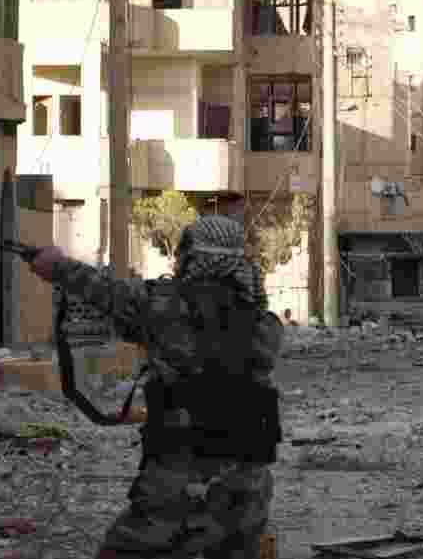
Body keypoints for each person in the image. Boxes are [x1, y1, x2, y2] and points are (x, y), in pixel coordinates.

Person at [28, 215, 283, 559]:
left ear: (192, 257)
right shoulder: (265, 325)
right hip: (249, 487)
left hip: (181, 479)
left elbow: (104, 290)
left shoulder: (163, 306)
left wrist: (57, 266)